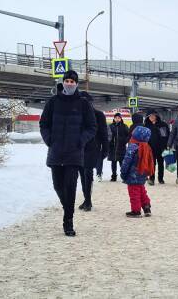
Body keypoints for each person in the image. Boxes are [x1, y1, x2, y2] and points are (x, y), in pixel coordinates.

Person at [39, 70, 96, 236]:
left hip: (74, 153)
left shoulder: (83, 103)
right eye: (67, 81)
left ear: (76, 84)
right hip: (56, 152)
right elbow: (44, 124)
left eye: (72, 81)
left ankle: (68, 222)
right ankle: (68, 208)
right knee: (58, 186)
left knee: (70, 188)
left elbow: (91, 127)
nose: (69, 83)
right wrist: (49, 140)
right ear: (62, 82)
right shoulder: (53, 102)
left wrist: (81, 140)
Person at [77, 92, 108, 211]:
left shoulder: (98, 115)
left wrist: (105, 149)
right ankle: (86, 199)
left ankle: (88, 201)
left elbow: (104, 133)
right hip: (78, 148)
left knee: (87, 173)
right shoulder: (76, 115)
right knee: (82, 174)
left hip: (92, 148)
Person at [120, 126, 154, 218]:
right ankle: (147, 207)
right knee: (142, 190)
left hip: (132, 174)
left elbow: (127, 161)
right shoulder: (147, 147)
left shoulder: (133, 146)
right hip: (143, 173)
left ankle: (136, 211)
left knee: (134, 192)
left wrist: (123, 172)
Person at [144, 109, 170, 185]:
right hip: (150, 148)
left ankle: (161, 179)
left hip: (161, 148)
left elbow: (166, 135)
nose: (151, 117)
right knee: (152, 164)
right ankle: (151, 179)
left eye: (152, 115)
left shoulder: (163, 124)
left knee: (161, 163)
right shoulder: (146, 126)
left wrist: (167, 145)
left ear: (156, 116)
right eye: (149, 116)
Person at [108, 112, 129, 182]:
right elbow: (107, 135)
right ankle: (114, 176)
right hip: (112, 148)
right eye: (116, 118)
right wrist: (109, 143)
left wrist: (124, 141)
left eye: (119, 118)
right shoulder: (110, 126)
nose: (117, 119)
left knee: (122, 163)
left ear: (121, 119)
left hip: (121, 148)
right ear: (114, 118)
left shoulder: (124, 126)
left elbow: (128, 135)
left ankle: (123, 176)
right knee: (113, 163)